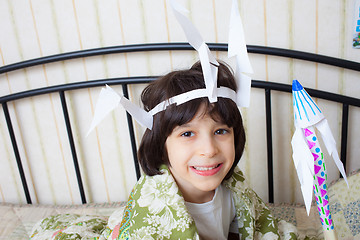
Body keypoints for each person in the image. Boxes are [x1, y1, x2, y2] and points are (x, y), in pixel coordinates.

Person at [99, 61, 298, 240]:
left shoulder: (234, 188)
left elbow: (252, 226)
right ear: (160, 147)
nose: (209, 150)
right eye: (187, 134)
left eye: (220, 131)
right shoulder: (153, 211)